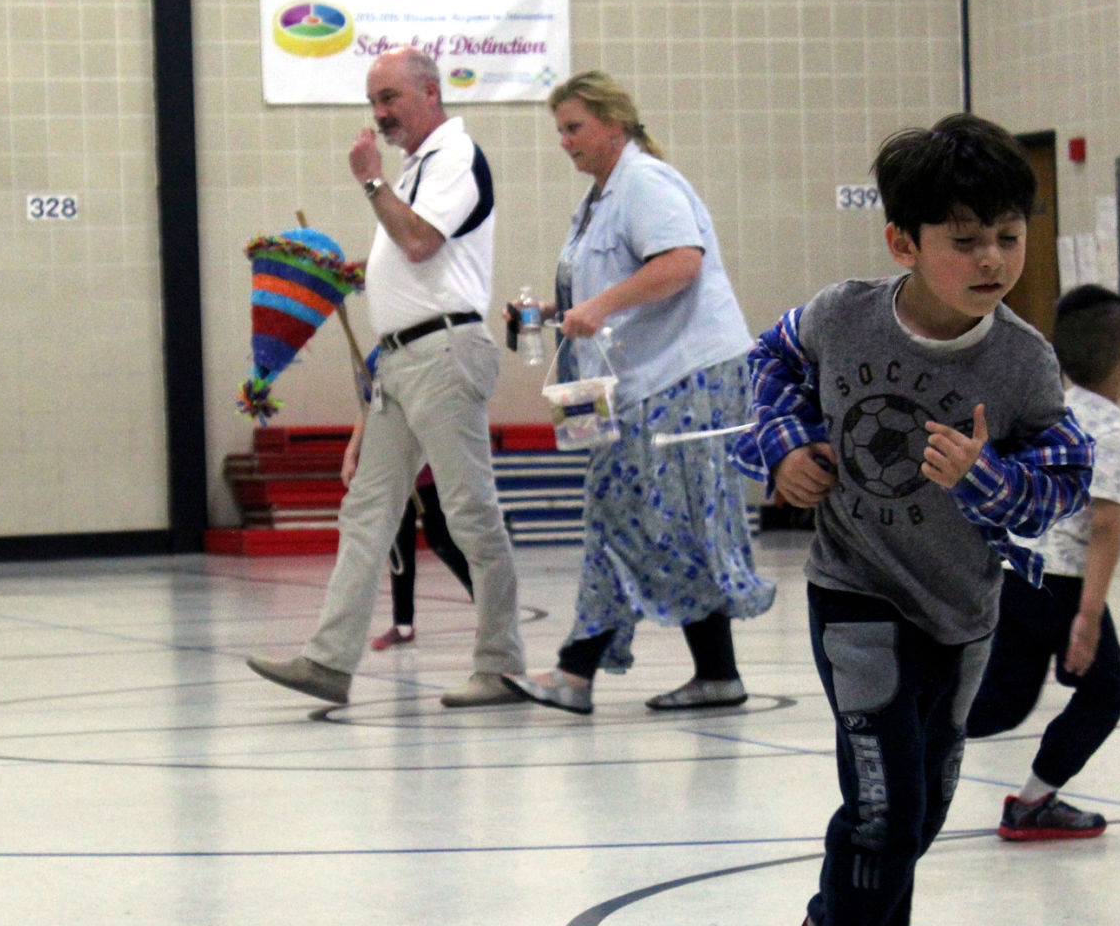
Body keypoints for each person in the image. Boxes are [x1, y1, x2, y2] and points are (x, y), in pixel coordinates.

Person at [731, 113, 1095, 926]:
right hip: (854, 593)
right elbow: (760, 371)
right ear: (903, 241)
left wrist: (986, 479)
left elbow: (1064, 476)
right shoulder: (839, 314)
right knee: (885, 808)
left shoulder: (1021, 360)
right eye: (963, 240)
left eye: (1007, 237)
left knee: (917, 814)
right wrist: (781, 450)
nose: (991, 259)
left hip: (962, 610)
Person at [247, 47, 524, 709]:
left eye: (390, 98)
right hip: (401, 360)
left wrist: (371, 184)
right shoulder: (416, 168)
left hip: (445, 354)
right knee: (366, 513)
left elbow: (420, 242)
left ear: (431, 93)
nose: (379, 113)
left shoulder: (454, 157)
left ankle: (501, 664)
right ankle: (328, 661)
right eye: (373, 100)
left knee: (468, 516)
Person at [501, 71, 775, 716]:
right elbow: (603, 289)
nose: (564, 142)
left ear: (614, 125)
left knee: (634, 511)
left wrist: (601, 305)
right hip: (626, 380)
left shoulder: (645, 182)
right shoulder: (599, 199)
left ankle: (578, 669)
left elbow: (682, 262)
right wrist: (548, 312)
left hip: (686, 377)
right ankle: (713, 674)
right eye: (560, 130)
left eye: (574, 127)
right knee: (636, 512)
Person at [966, 286, 1120, 840]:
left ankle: (909, 732)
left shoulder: (1050, 409)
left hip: (1015, 573)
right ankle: (1034, 802)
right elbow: (1104, 524)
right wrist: (1087, 617)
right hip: (1061, 585)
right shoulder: (1113, 429)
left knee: (1006, 701)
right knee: (1105, 689)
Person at [339, 373, 475, 652]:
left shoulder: (424, 360)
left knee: (442, 540)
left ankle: (487, 602)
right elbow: (370, 407)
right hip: (394, 470)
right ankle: (403, 624)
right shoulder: (379, 362)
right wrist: (351, 452)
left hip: (429, 466)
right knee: (399, 547)